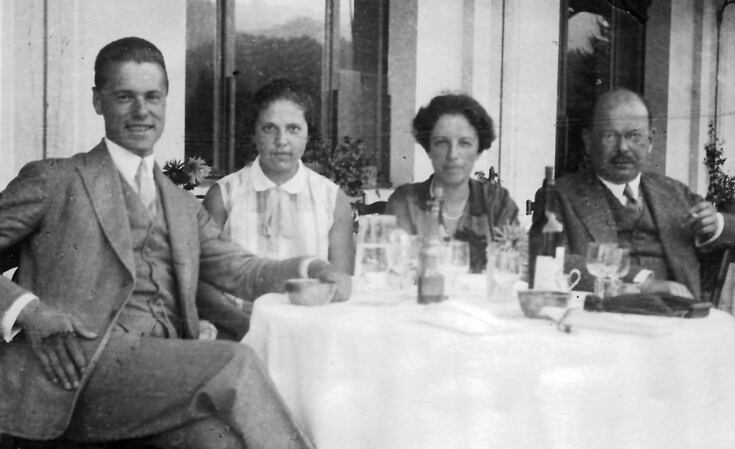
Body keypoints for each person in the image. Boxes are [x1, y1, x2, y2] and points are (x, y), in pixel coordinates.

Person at [0, 37, 350, 448]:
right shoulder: (57, 179)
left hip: (154, 379)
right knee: (233, 363)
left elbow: (243, 270)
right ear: (98, 101)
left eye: (152, 97)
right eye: (124, 97)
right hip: (74, 376)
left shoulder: (182, 205)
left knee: (218, 441)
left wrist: (312, 267)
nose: (141, 110)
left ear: (166, 101)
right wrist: (28, 311)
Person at [531, 87, 735, 299]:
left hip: (677, 322)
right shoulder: (559, 195)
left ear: (650, 142)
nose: (623, 148)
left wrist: (718, 225)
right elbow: (548, 265)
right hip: (601, 323)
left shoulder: (675, 194)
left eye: (634, 136)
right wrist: (641, 283)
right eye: (610, 135)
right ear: (588, 141)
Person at [199, 80, 354, 338]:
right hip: (236, 332)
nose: (281, 140)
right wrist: (246, 328)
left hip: (309, 333)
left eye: (293, 129)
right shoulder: (224, 195)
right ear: (253, 133)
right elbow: (202, 281)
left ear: (308, 134)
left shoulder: (332, 199)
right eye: (269, 128)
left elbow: (340, 284)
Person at [386, 94, 519, 272]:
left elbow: (514, 269)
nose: (452, 155)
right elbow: (397, 270)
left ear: (478, 150)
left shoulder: (498, 202)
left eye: (464, 143)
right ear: (429, 149)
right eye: (441, 142)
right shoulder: (406, 201)